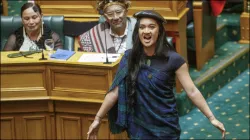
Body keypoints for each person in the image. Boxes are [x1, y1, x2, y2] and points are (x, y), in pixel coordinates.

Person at [87, 10, 226, 139]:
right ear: (137, 31)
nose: (146, 31)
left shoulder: (174, 59)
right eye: (142, 27)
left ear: (159, 31)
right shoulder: (129, 58)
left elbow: (192, 91)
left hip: (165, 126)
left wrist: (211, 117)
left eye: (151, 27)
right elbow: (115, 92)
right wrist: (97, 119)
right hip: (138, 126)